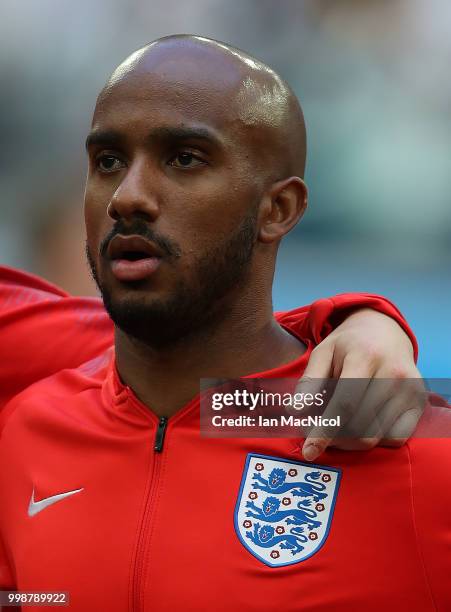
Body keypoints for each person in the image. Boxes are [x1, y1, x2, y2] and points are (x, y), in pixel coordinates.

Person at [1, 35, 447, 611]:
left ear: (278, 209)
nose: (127, 196)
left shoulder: (407, 453)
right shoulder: (26, 433)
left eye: (184, 158)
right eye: (107, 162)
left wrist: (352, 322)